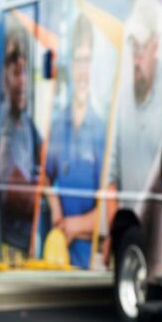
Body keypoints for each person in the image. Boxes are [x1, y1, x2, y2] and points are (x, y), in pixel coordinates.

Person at [106, 0, 162, 275]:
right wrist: (114, 232)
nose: (136, 58)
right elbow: (112, 176)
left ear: (155, 44)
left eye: (141, 47)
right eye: (132, 48)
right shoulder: (124, 97)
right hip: (131, 227)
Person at [44, 14, 106, 269]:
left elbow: (110, 208)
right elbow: (44, 177)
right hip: (60, 262)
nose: (83, 71)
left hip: (91, 263)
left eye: (88, 60)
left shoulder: (102, 130)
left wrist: (74, 226)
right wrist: (55, 207)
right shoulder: (59, 126)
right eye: (79, 60)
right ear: (70, 65)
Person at [0, 21, 41, 256]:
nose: (22, 80)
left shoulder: (27, 122)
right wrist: (45, 196)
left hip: (29, 237)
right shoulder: (4, 122)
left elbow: (46, 156)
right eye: (15, 72)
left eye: (24, 71)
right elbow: (13, 191)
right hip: (12, 240)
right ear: (4, 76)